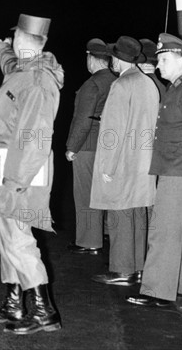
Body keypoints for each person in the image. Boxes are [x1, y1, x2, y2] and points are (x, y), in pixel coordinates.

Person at [0, 14, 64, 335]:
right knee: (6, 236)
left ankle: (43, 311)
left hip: (22, 172)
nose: (11, 43)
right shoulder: (25, 70)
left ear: (23, 39)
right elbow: (11, 66)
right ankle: (13, 302)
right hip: (7, 166)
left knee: (18, 239)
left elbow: (35, 139)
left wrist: (16, 182)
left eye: (13, 39)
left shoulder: (38, 82)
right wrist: (1, 52)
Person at [126, 33, 182, 307]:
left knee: (164, 229)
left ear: (178, 59)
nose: (159, 65)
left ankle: (156, 291)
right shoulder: (180, 86)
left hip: (180, 169)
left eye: (163, 59)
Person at [89, 36, 159, 286]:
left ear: (119, 60)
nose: (111, 62)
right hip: (144, 163)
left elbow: (113, 131)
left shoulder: (122, 85)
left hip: (123, 163)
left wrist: (108, 166)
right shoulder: (148, 84)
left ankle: (121, 270)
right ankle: (139, 267)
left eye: (113, 58)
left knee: (119, 216)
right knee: (139, 216)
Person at [66, 38, 116, 255]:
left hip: (87, 146)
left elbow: (83, 118)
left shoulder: (92, 84)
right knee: (103, 192)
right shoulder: (115, 81)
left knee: (85, 194)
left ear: (93, 59)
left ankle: (89, 241)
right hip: (108, 145)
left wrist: (72, 146)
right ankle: (103, 232)